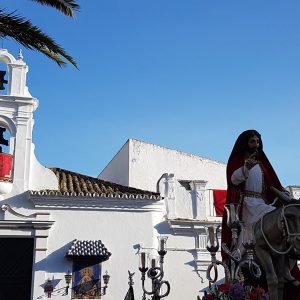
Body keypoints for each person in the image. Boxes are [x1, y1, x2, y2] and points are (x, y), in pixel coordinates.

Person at [221, 129, 299, 284]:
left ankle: (285, 267)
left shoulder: (262, 164)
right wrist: (246, 169)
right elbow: (233, 180)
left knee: (284, 221)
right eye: (252, 141)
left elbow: (273, 184)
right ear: (245, 143)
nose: (255, 144)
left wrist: (285, 195)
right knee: (274, 217)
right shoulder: (238, 161)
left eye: (257, 141)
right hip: (248, 204)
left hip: (262, 203)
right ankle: (239, 251)